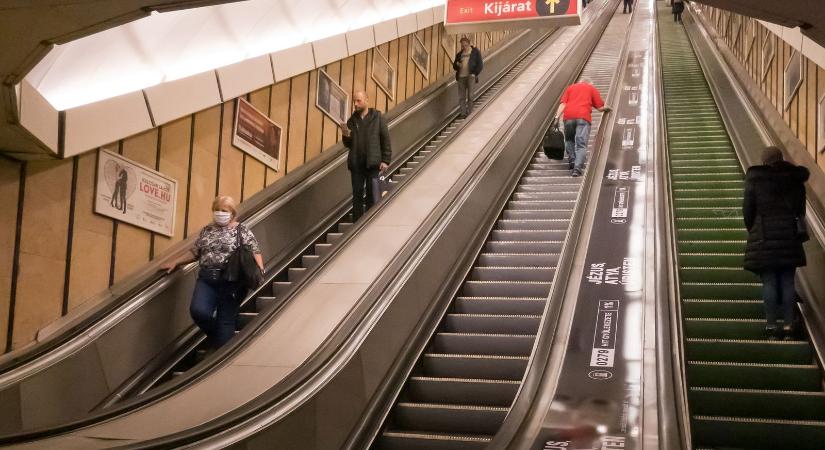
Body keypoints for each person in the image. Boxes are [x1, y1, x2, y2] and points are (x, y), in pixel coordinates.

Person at [161, 196, 264, 349]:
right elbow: (196, 251)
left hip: (232, 282)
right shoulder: (207, 230)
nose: (220, 213)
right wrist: (176, 261)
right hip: (207, 280)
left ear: (232, 213)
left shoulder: (242, 230)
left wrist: (260, 269)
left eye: (224, 210)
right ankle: (221, 342)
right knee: (198, 311)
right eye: (217, 210)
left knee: (225, 321)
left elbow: (254, 251)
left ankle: (222, 352)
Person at [743, 146, 809, 340]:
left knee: (770, 282)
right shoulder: (795, 180)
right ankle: (788, 327)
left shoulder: (755, 180)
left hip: (764, 236)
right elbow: (801, 210)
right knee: (788, 281)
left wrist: (754, 229)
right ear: (781, 158)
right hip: (789, 237)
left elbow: (748, 211)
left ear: (764, 161)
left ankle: (771, 327)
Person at [340, 91, 392, 221]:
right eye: (354, 101)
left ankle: (370, 221)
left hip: (372, 163)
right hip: (357, 164)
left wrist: (386, 160)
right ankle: (357, 224)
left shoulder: (377, 117)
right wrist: (345, 135)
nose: (355, 104)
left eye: (358, 101)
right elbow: (348, 144)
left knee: (371, 194)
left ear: (366, 100)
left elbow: (385, 138)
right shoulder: (352, 121)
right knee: (357, 193)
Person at [553, 78, 611, 177]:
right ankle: (577, 169)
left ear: (580, 82)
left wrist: (556, 117)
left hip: (568, 117)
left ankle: (572, 160)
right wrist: (609, 108)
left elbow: (563, 104)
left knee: (569, 140)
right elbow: (600, 107)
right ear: (590, 83)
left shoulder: (570, 88)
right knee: (581, 144)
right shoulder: (591, 88)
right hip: (583, 118)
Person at [452, 37, 483, 118]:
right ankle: (463, 113)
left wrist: (475, 73)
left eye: (465, 45)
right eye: (462, 46)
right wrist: (457, 64)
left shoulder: (475, 52)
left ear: (469, 44)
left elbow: (480, 65)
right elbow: (454, 66)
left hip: (470, 76)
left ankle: (470, 113)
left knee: (470, 95)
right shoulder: (459, 54)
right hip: (461, 77)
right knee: (461, 96)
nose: (464, 47)